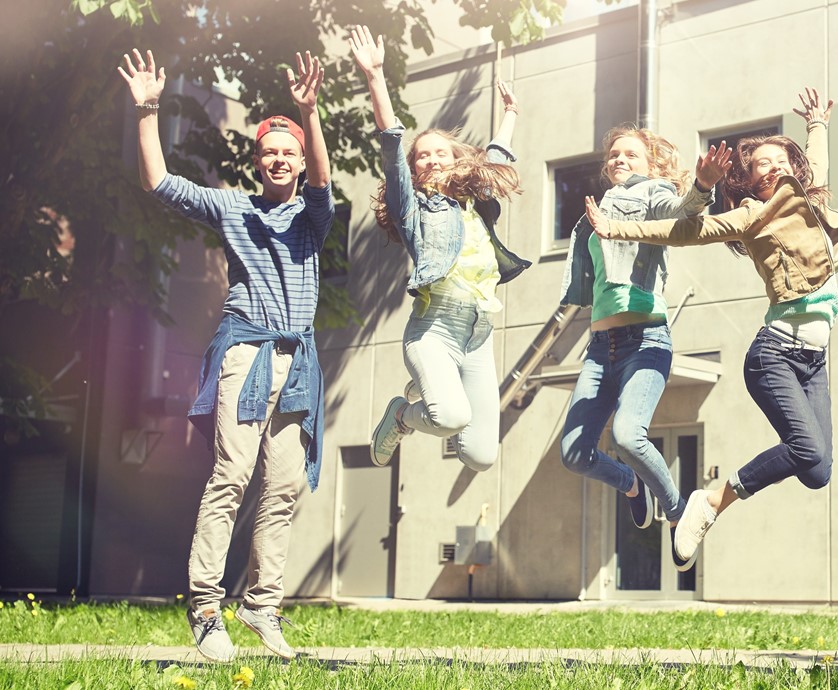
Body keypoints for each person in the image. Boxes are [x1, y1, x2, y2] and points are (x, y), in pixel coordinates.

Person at [583, 88, 838, 571]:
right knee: (806, 447)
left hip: (815, 360)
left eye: (778, 160)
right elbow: (683, 232)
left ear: (793, 168)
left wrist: (817, 124)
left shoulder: (811, 203)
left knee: (818, 470)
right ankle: (713, 500)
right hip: (775, 355)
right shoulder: (749, 217)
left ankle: (715, 498)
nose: (771, 168)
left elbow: (817, 166)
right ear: (751, 180)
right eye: (760, 165)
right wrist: (617, 229)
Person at [120, 48, 333, 662]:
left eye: (288, 152)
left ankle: (262, 607)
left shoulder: (313, 217)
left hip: (300, 362)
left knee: (286, 485)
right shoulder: (233, 207)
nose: (279, 160)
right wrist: (147, 111)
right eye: (270, 151)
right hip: (247, 351)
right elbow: (157, 181)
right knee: (231, 476)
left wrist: (309, 113)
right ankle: (207, 607)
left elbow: (322, 175)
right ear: (258, 159)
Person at [350, 26, 532, 471]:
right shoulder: (412, 209)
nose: (431, 160)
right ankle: (401, 415)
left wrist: (511, 114)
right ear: (414, 172)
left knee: (481, 456)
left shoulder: (478, 202)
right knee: (449, 417)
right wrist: (375, 76)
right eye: (422, 157)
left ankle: (419, 401)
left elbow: (497, 159)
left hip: (478, 335)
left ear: (457, 161)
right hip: (434, 330)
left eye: (440, 154)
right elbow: (392, 143)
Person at [557, 124, 730, 555]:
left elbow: (681, 210)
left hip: (645, 341)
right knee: (575, 454)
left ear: (650, 164)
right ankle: (632, 483)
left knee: (628, 434)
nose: (620, 159)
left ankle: (677, 513)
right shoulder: (594, 212)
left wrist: (704, 186)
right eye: (614, 154)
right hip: (599, 350)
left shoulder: (650, 193)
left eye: (631, 154)